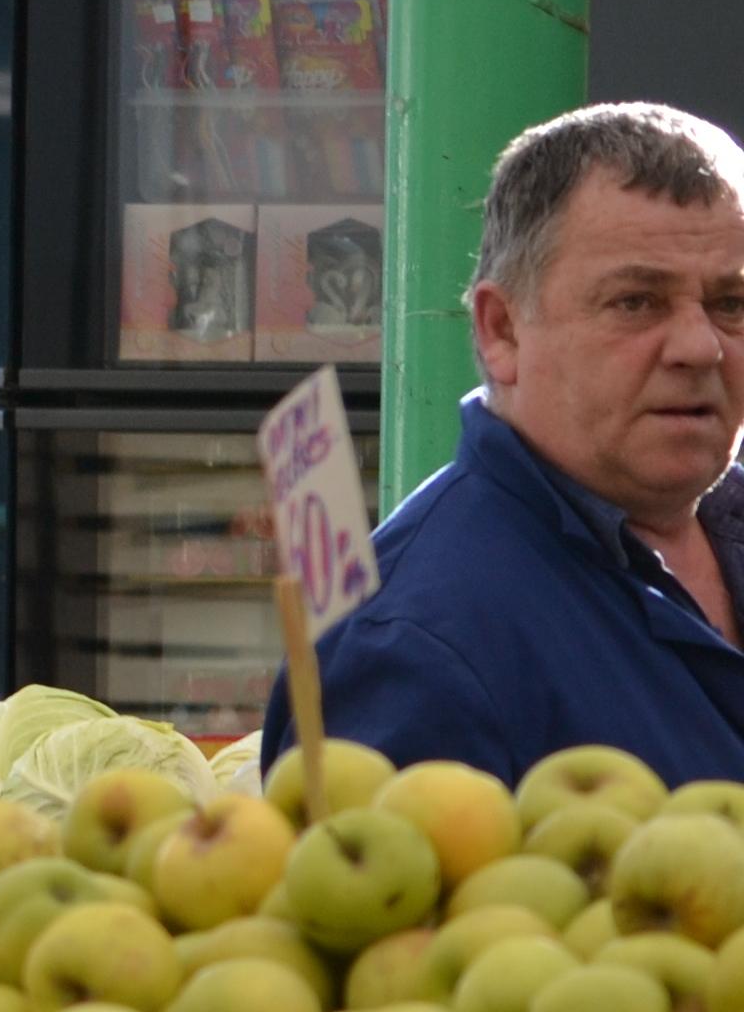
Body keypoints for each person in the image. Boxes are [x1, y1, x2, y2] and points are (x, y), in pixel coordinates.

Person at [268, 102, 744, 787]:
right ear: (503, 332)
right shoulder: (412, 645)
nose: (700, 347)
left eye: (731, 304)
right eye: (636, 302)